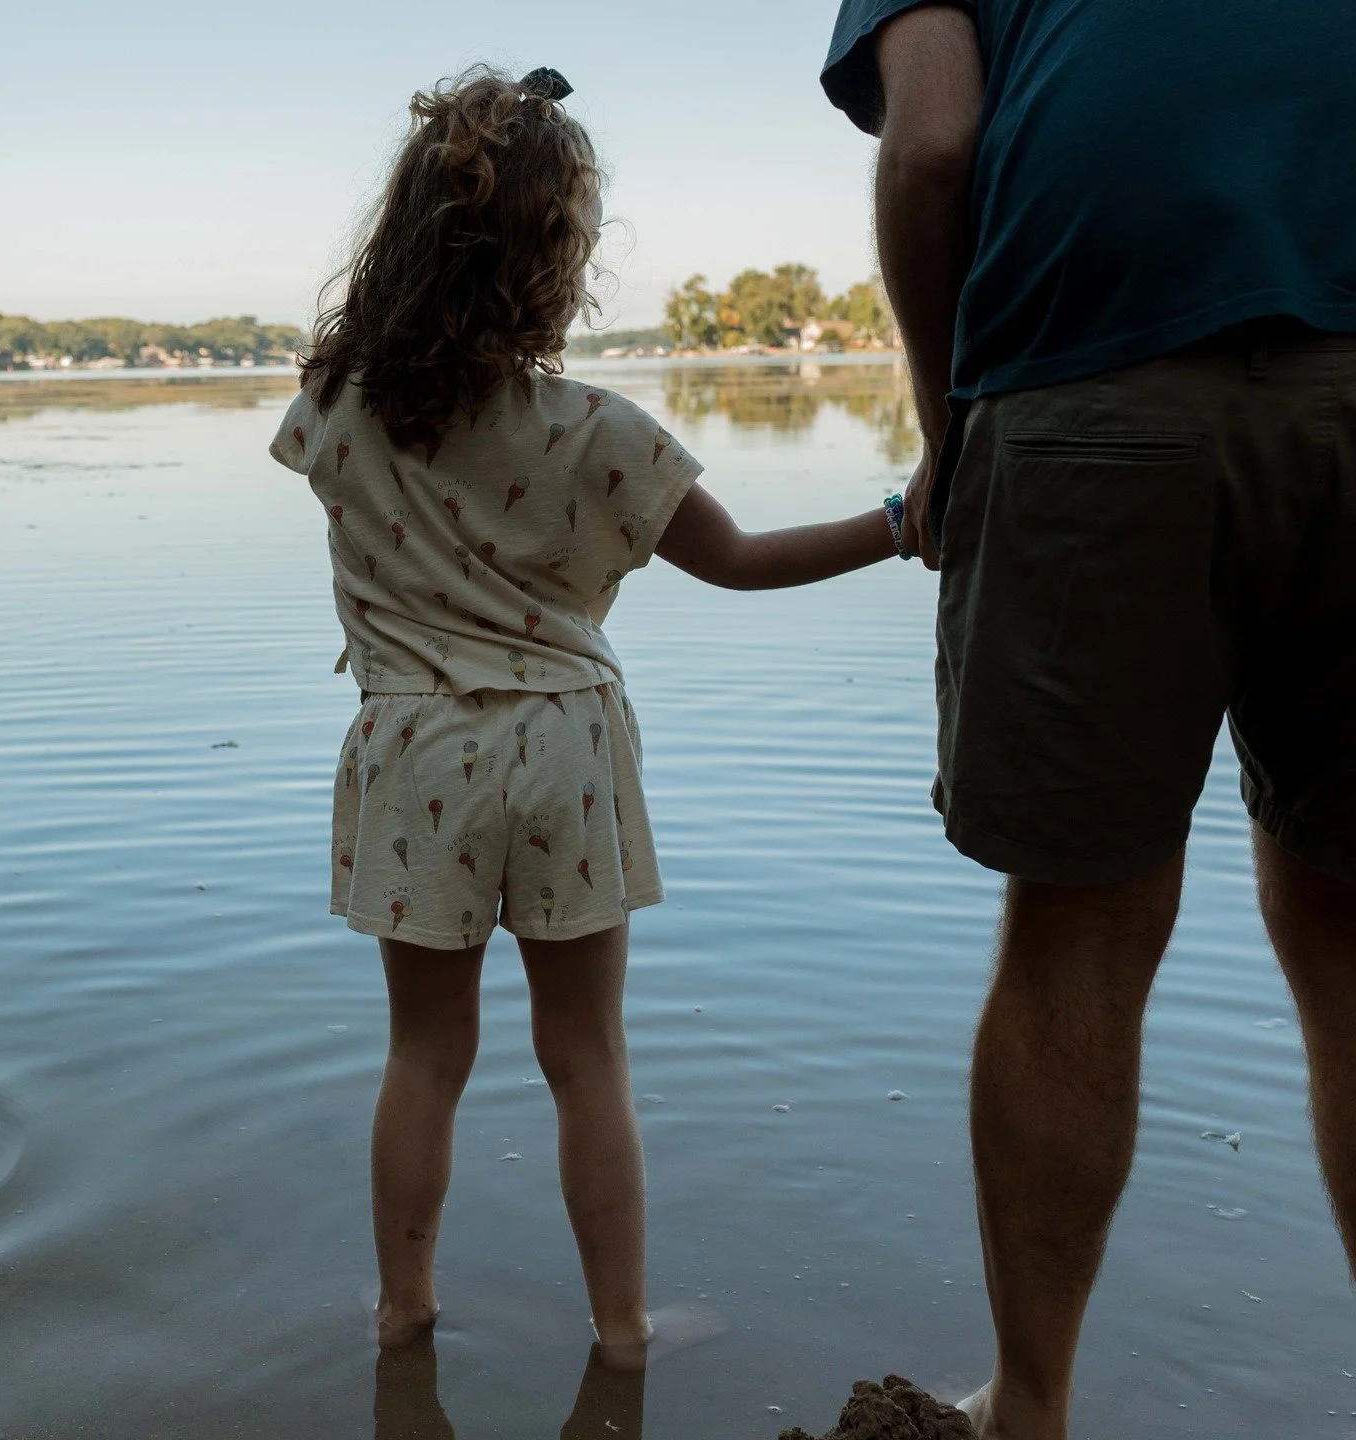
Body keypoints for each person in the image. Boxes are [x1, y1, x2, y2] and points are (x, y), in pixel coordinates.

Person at [273, 64, 912, 1370]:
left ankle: (403, 1311)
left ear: (405, 241)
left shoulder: (333, 412)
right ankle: (622, 1329)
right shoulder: (597, 433)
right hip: (563, 746)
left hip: (414, 749)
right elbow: (740, 561)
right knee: (587, 1059)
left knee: (424, 1056)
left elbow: (369, 459)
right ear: (557, 261)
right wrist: (902, 523)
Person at [821, 3, 1356, 1435]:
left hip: (1090, 391)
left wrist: (947, 430)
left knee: (1080, 935)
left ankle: (1034, 1408)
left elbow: (933, 146)